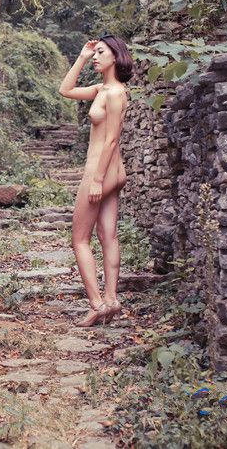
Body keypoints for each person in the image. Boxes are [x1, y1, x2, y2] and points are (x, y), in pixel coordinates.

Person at [58, 34, 132, 326]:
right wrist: (82, 56)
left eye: (101, 52)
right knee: (107, 235)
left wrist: (97, 179)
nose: (96, 57)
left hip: (100, 170)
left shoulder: (113, 93)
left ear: (116, 56)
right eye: (95, 53)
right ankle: (111, 300)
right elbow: (65, 90)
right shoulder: (103, 89)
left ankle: (97, 304)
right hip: (113, 171)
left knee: (79, 239)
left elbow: (112, 139)